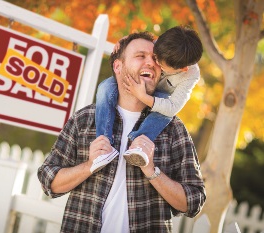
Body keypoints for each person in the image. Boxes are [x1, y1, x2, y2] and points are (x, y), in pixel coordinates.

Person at [37, 31, 206, 232]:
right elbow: (48, 181)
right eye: (140, 56)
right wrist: (89, 166)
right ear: (118, 66)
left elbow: (194, 202)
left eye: (154, 59)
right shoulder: (84, 120)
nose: (152, 63)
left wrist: (152, 171)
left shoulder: (173, 129)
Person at [94, 25, 203, 172]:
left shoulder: (190, 74)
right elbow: (140, 42)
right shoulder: (162, 43)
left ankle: (139, 143)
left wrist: (143, 96)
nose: (153, 63)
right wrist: (125, 41)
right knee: (104, 88)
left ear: (182, 69)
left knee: (165, 113)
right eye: (155, 55)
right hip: (136, 82)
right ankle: (103, 142)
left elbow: (173, 107)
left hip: (159, 98)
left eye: (160, 64)